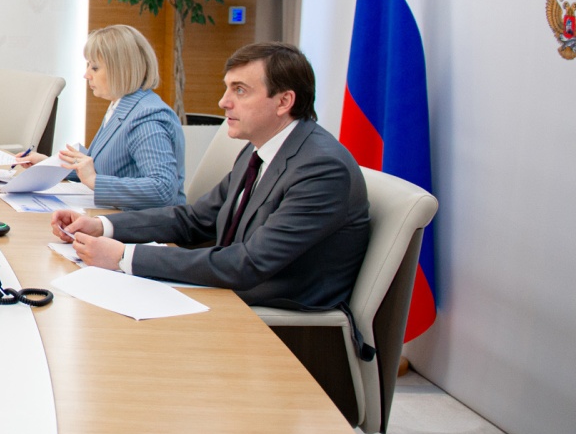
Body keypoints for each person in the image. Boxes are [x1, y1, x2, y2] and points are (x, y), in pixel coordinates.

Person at [51, 42, 371, 310]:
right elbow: (194, 220)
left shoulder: (321, 170)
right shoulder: (260, 148)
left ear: (284, 101)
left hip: (277, 320)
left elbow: (248, 264)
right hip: (231, 292)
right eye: (227, 88)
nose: (223, 102)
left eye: (240, 90)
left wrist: (124, 256)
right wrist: (103, 226)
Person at [16, 24, 183, 209]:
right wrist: (49, 165)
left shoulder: (146, 118)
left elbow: (162, 190)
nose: (86, 75)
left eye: (94, 68)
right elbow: (105, 168)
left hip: (144, 223)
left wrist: (94, 181)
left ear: (122, 69)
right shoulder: (121, 106)